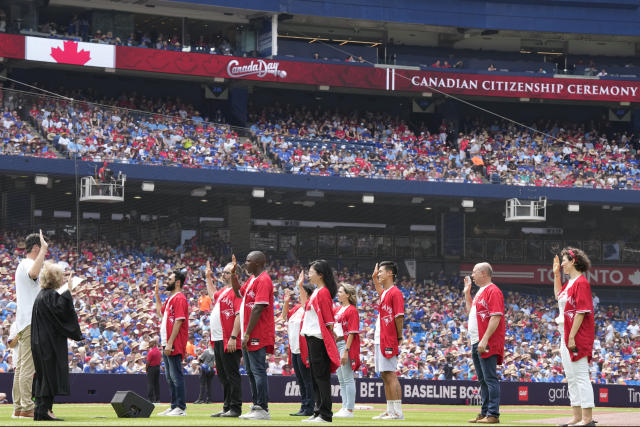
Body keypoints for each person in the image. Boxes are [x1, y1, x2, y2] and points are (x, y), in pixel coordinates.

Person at [31, 261, 83, 421]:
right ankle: (46, 410)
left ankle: (40, 409)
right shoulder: (51, 296)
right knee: (50, 375)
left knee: (43, 375)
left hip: (39, 342)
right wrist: (68, 292)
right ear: (55, 279)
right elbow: (62, 313)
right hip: (49, 344)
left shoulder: (42, 295)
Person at [553, 249, 596, 427]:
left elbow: (581, 312)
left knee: (580, 377)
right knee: (571, 377)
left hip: (576, 334)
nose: (562, 264)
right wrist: (556, 275)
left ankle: (587, 419)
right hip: (566, 334)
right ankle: (577, 417)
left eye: (564, 261)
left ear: (574, 261)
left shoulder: (582, 283)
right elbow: (558, 297)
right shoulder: (570, 283)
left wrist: (571, 337)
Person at [231, 251, 274, 420]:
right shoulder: (252, 279)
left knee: (257, 370)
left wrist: (247, 333)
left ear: (257, 263)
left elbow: (258, 308)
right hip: (249, 333)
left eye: (248, 261)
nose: (245, 263)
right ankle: (256, 405)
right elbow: (238, 293)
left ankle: (262, 408)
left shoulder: (264, 280)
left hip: (257, 332)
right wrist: (234, 274)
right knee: (250, 370)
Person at [13, 230, 49, 420]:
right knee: (28, 367)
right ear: (36, 247)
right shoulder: (28, 263)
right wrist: (44, 249)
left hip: (24, 322)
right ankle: (27, 407)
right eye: (41, 249)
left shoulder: (22, 264)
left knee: (21, 366)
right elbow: (34, 272)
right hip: (30, 322)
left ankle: (19, 407)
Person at [464, 262, 505, 425]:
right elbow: (470, 313)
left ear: (483, 273)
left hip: (486, 341)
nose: (472, 275)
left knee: (489, 378)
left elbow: (496, 316)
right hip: (477, 340)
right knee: (482, 380)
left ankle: (493, 414)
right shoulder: (481, 292)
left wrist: (485, 339)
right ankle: (485, 412)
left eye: (474, 272)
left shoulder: (493, 291)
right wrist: (467, 294)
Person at [300, 260, 340, 423]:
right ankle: (318, 411)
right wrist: (299, 286)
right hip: (312, 337)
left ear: (320, 274)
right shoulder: (317, 291)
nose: (309, 274)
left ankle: (325, 413)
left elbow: (328, 319)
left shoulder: (323, 293)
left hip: (318, 338)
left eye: (311, 271)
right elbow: (306, 308)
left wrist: (331, 335)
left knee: (321, 377)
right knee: (315, 376)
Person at [206, 259, 243, 417]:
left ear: (236, 275)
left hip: (229, 338)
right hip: (218, 338)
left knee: (232, 374)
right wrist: (208, 277)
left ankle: (235, 407)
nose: (223, 274)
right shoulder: (223, 291)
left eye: (227, 272)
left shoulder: (237, 291)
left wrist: (233, 337)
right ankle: (227, 406)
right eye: (224, 272)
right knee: (222, 375)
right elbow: (212, 294)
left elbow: (239, 315)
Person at [371, 261, 405, 420]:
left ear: (390, 273)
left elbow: (399, 317)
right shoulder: (385, 292)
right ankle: (390, 410)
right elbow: (380, 292)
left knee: (390, 374)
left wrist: (399, 336)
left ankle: (398, 412)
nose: (379, 274)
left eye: (381, 272)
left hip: (388, 337)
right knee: (384, 374)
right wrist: (374, 278)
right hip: (380, 337)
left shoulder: (395, 292)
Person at [154, 270, 189, 417]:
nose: (166, 281)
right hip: (166, 342)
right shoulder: (170, 299)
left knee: (176, 375)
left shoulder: (179, 298)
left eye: (170, 279)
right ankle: (174, 405)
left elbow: (179, 321)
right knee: (169, 376)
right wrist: (156, 295)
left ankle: (180, 407)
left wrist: (170, 342)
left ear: (178, 282)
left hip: (173, 342)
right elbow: (160, 314)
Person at [282, 282, 315, 417]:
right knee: (300, 380)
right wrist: (286, 301)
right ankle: (303, 406)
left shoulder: (310, 307)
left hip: (304, 349)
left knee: (307, 380)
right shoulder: (296, 308)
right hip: (294, 349)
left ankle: (309, 407)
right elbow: (284, 316)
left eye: (300, 291)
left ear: (306, 293)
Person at [333, 283, 361, 418]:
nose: (338, 294)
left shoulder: (352, 310)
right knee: (341, 379)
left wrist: (346, 351)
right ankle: (344, 406)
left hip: (345, 344)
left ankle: (349, 409)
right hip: (336, 344)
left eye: (340, 292)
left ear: (348, 295)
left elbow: (352, 332)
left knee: (348, 378)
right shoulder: (337, 309)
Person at [195, 338, 215, 404]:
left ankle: (200, 399)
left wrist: (199, 359)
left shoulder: (206, 351)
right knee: (209, 384)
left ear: (209, 343)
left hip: (205, 368)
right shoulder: (215, 351)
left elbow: (200, 360)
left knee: (202, 384)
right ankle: (209, 399)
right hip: (211, 369)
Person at [146, 336, 162, 403]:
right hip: (157, 368)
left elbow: (148, 362)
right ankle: (157, 399)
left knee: (150, 383)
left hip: (151, 368)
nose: (149, 344)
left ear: (152, 344)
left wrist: (146, 369)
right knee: (156, 384)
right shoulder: (158, 351)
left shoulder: (151, 352)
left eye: (150, 343)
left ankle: (150, 399)